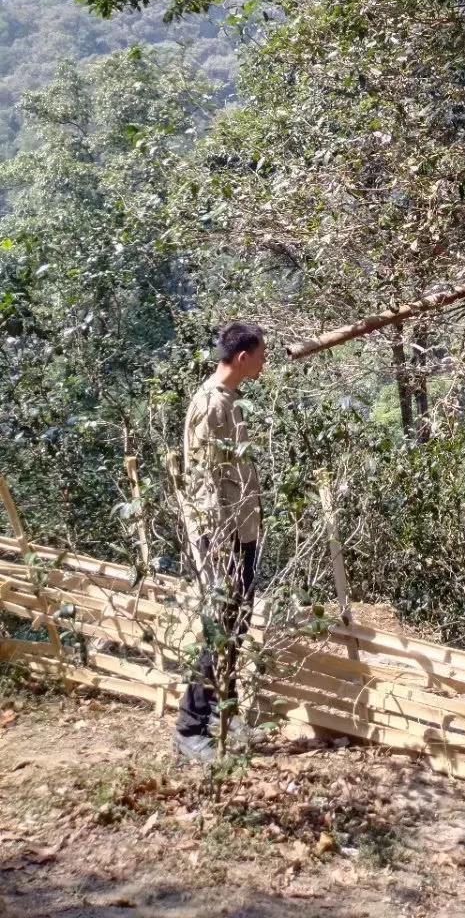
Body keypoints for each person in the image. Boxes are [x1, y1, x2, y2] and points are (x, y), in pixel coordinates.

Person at [173, 321, 266, 764]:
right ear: (243, 358)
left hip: (241, 531)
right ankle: (190, 728)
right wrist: (219, 544)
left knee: (236, 625)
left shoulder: (231, 400)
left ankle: (221, 713)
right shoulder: (211, 404)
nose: (265, 363)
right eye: (262, 355)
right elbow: (204, 482)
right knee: (219, 627)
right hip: (222, 535)